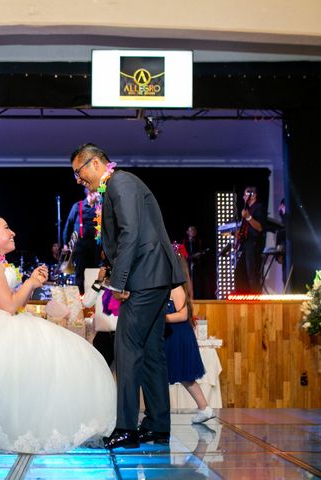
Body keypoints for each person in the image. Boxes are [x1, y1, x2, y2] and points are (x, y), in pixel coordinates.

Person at [0, 215, 116, 453]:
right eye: (6, 228)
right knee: (61, 350)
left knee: (63, 348)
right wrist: (30, 283)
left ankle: (45, 423)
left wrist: (29, 284)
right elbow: (8, 307)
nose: (13, 233)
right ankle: (45, 426)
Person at [70, 143, 185, 449]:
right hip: (154, 275)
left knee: (126, 348)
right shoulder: (121, 185)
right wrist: (111, 268)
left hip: (145, 277)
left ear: (95, 164)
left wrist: (119, 283)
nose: (79, 180)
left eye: (78, 172)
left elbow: (130, 234)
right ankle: (158, 426)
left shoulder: (120, 182)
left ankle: (126, 429)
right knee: (150, 352)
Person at [165, 251, 215, 424]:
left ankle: (204, 407)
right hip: (174, 334)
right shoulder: (171, 287)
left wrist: (162, 318)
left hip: (177, 335)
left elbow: (183, 314)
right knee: (181, 375)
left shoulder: (175, 288)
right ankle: (203, 407)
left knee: (184, 374)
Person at [62, 189, 100, 293]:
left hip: (94, 246)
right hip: (80, 246)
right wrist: (65, 243)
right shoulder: (77, 206)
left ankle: (91, 299)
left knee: (94, 273)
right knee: (80, 274)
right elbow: (68, 225)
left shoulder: (99, 207)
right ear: (90, 193)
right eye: (96, 192)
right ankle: (80, 298)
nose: (98, 194)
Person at [82, 266, 118, 366]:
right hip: (103, 337)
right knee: (100, 371)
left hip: (121, 336)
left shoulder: (124, 288)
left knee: (122, 373)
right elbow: (86, 303)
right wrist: (98, 281)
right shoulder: (98, 288)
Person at [234, 186, 265, 293]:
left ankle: (255, 298)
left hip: (254, 244)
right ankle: (243, 297)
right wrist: (238, 234)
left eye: (247, 193)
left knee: (252, 273)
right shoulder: (247, 210)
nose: (244, 196)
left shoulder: (258, 207)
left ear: (254, 195)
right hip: (246, 244)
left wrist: (248, 217)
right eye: (244, 194)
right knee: (239, 272)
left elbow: (260, 227)